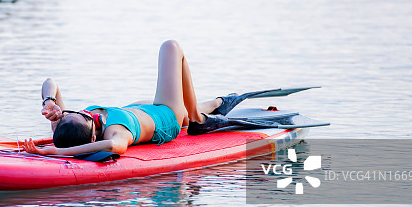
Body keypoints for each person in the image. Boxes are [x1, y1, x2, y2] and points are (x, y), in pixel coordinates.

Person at [22, 40, 250, 156]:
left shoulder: (66, 126)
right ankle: (196, 118)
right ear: (93, 139)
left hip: (141, 109)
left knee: (180, 104)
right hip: (167, 116)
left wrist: (49, 102)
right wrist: (54, 152)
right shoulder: (114, 133)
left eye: (82, 112)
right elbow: (114, 146)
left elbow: (51, 83)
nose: (90, 114)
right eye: (91, 120)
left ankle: (218, 103)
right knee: (171, 47)